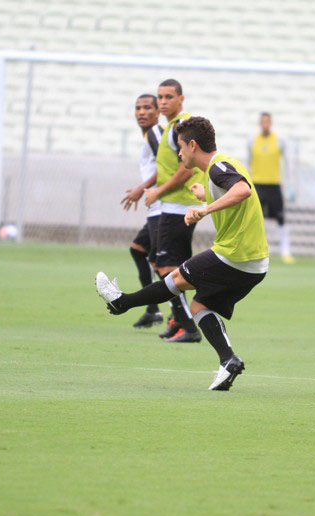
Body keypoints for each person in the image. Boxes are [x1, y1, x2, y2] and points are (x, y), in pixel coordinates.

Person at [97, 116, 269, 390]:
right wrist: (206, 196)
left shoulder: (217, 167)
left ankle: (122, 302)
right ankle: (228, 361)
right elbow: (233, 189)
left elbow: (242, 190)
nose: (178, 153)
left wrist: (205, 209)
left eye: (180, 147)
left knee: (177, 278)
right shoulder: (222, 166)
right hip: (255, 263)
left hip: (234, 255)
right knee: (200, 306)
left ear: (192, 145)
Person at [143, 79, 204, 343]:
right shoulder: (170, 127)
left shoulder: (180, 127)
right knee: (161, 262)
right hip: (172, 206)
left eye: (169, 96)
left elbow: (186, 169)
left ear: (181, 99)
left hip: (178, 206)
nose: (163, 101)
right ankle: (179, 319)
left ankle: (189, 326)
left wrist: (157, 191)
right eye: (160, 97)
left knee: (168, 267)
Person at [121, 94, 164, 328]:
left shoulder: (156, 133)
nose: (141, 112)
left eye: (147, 107)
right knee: (138, 250)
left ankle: (183, 317)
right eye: (138, 108)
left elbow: (169, 166)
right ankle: (153, 309)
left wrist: (142, 188)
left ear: (158, 111)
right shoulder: (149, 136)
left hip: (163, 207)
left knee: (163, 265)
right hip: (156, 208)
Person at [249, 112, 295, 264]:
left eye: (268, 121)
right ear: (259, 123)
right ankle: (253, 250)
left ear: (271, 123)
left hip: (274, 184)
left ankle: (285, 251)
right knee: (254, 218)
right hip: (257, 184)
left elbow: (288, 163)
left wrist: (289, 185)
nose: (265, 124)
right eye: (263, 121)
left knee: (280, 217)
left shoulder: (279, 140)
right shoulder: (252, 140)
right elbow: (249, 162)